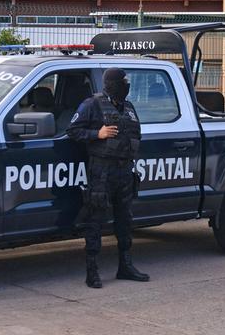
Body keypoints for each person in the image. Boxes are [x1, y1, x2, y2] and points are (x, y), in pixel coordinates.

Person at [67, 68, 150, 288]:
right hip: (102, 172)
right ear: (111, 84)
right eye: (123, 82)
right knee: (95, 221)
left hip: (125, 172)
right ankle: (92, 271)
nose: (127, 85)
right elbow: (73, 131)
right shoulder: (92, 105)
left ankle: (126, 266)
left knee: (125, 220)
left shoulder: (129, 107)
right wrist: (97, 134)